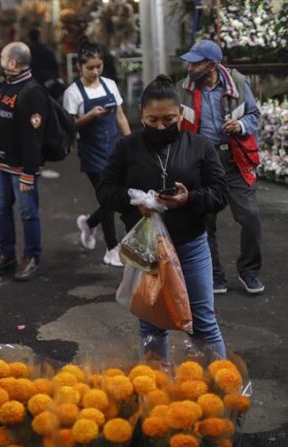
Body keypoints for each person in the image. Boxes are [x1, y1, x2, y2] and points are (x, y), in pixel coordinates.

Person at [97, 74, 228, 361]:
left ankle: (222, 391)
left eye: (168, 119)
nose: (160, 126)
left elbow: (220, 193)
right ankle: (156, 393)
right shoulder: (126, 148)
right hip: (147, 251)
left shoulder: (200, 146)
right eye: (152, 120)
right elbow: (105, 191)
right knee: (152, 325)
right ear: (141, 115)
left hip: (191, 246)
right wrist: (134, 203)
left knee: (202, 322)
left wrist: (189, 198)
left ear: (181, 113)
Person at [177, 39, 264, 295]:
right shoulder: (182, 89)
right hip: (202, 163)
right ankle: (214, 275)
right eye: (190, 62)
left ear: (213, 65)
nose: (190, 67)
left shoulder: (237, 83)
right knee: (205, 221)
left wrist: (240, 126)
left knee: (250, 218)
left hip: (234, 159)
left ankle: (249, 271)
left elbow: (254, 115)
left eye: (197, 62)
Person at [63, 39, 131, 267]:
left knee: (112, 197)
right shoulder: (72, 93)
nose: (95, 71)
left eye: (98, 66)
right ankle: (112, 248)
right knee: (108, 197)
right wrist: (91, 115)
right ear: (79, 68)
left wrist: (130, 141)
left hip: (114, 148)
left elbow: (120, 115)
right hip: (92, 152)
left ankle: (90, 224)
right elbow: (71, 126)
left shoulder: (110, 85)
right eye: (90, 67)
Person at [0, 42, 51, 281]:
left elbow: (34, 137)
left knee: (27, 213)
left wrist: (29, 172)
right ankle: (6, 255)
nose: (0, 61)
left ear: (12, 63)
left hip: (22, 169)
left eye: (3, 57)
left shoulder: (32, 92)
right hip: (1, 165)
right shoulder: (3, 88)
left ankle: (32, 255)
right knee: (0, 209)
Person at [27, 28, 64, 99]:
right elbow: (55, 68)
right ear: (39, 37)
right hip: (48, 83)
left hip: (32, 84)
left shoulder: (27, 53)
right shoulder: (47, 51)